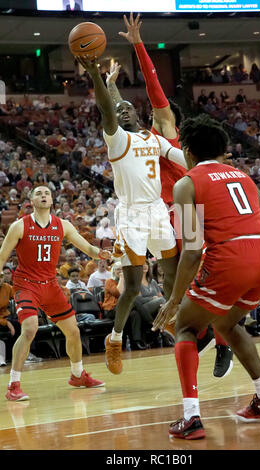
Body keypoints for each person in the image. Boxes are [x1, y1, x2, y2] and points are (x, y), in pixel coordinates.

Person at [152, 115, 260, 439]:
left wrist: (174, 299)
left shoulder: (187, 182)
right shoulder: (243, 177)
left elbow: (192, 249)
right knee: (227, 323)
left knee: (186, 325)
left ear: (186, 149)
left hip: (231, 257)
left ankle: (191, 418)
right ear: (223, 149)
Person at [113, 13, 232, 376]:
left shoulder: (166, 132)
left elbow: (154, 90)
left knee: (204, 278)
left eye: (154, 116)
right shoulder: (141, 141)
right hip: (164, 215)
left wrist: (137, 45)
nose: (149, 119)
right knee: (170, 282)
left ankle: (223, 340)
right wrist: (110, 86)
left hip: (189, 210)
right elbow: (119, 116)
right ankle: (195, 335)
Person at [78, 52, 186, 376]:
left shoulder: (152, 137)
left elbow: (180, 155)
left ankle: (171, 318)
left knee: (172, 271)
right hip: (131, 217)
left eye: (127, 107)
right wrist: (97, 75)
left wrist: (211, 164)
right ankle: (115, 338)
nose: (121, 110)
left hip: (157, 211)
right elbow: (107, 107)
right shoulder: (116, 138)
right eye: (118, 109)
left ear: (137, 114)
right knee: (135, 285)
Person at [0, 185, 110, 401]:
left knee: (74, 331)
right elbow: (2, 255)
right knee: (30, 328)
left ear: (52, 200)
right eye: (38, 193)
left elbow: (87, 249)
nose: (43, 195)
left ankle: (77, 375)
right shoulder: (19, 225)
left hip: (50, 285)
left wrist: (102, 253)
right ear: (31, 200)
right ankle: (13, 385)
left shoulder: (64, 225)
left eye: (46, 193)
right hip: (26, 284)